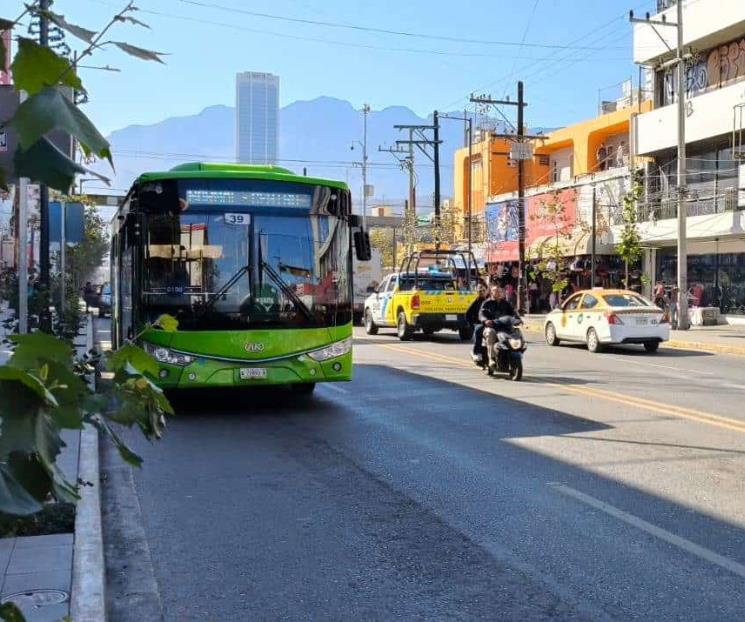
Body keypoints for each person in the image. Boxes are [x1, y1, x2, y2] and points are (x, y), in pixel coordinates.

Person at [479, 284, 519, 370]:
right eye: (495, 291)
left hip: (504, 327)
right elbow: (481, 314)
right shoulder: (487, 303)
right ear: (491, 292)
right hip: (492, 327)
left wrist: (518, 319)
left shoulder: (506, 303)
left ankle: (515, 352)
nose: (498, 293)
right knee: (490, 333)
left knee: (516, 332)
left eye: (499, 291)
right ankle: (491, 359)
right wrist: (485, 320)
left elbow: (513, 313)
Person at [467, 281, 488, 364]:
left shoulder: (490, 301)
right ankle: (477, 352)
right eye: (480, 291)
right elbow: (468, 314)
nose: (482, 292)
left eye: (483, 290)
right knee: (478, 330)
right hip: (479, 324)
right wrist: (473, 325)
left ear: (486, 291)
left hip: (490, 323)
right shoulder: (475, 302)